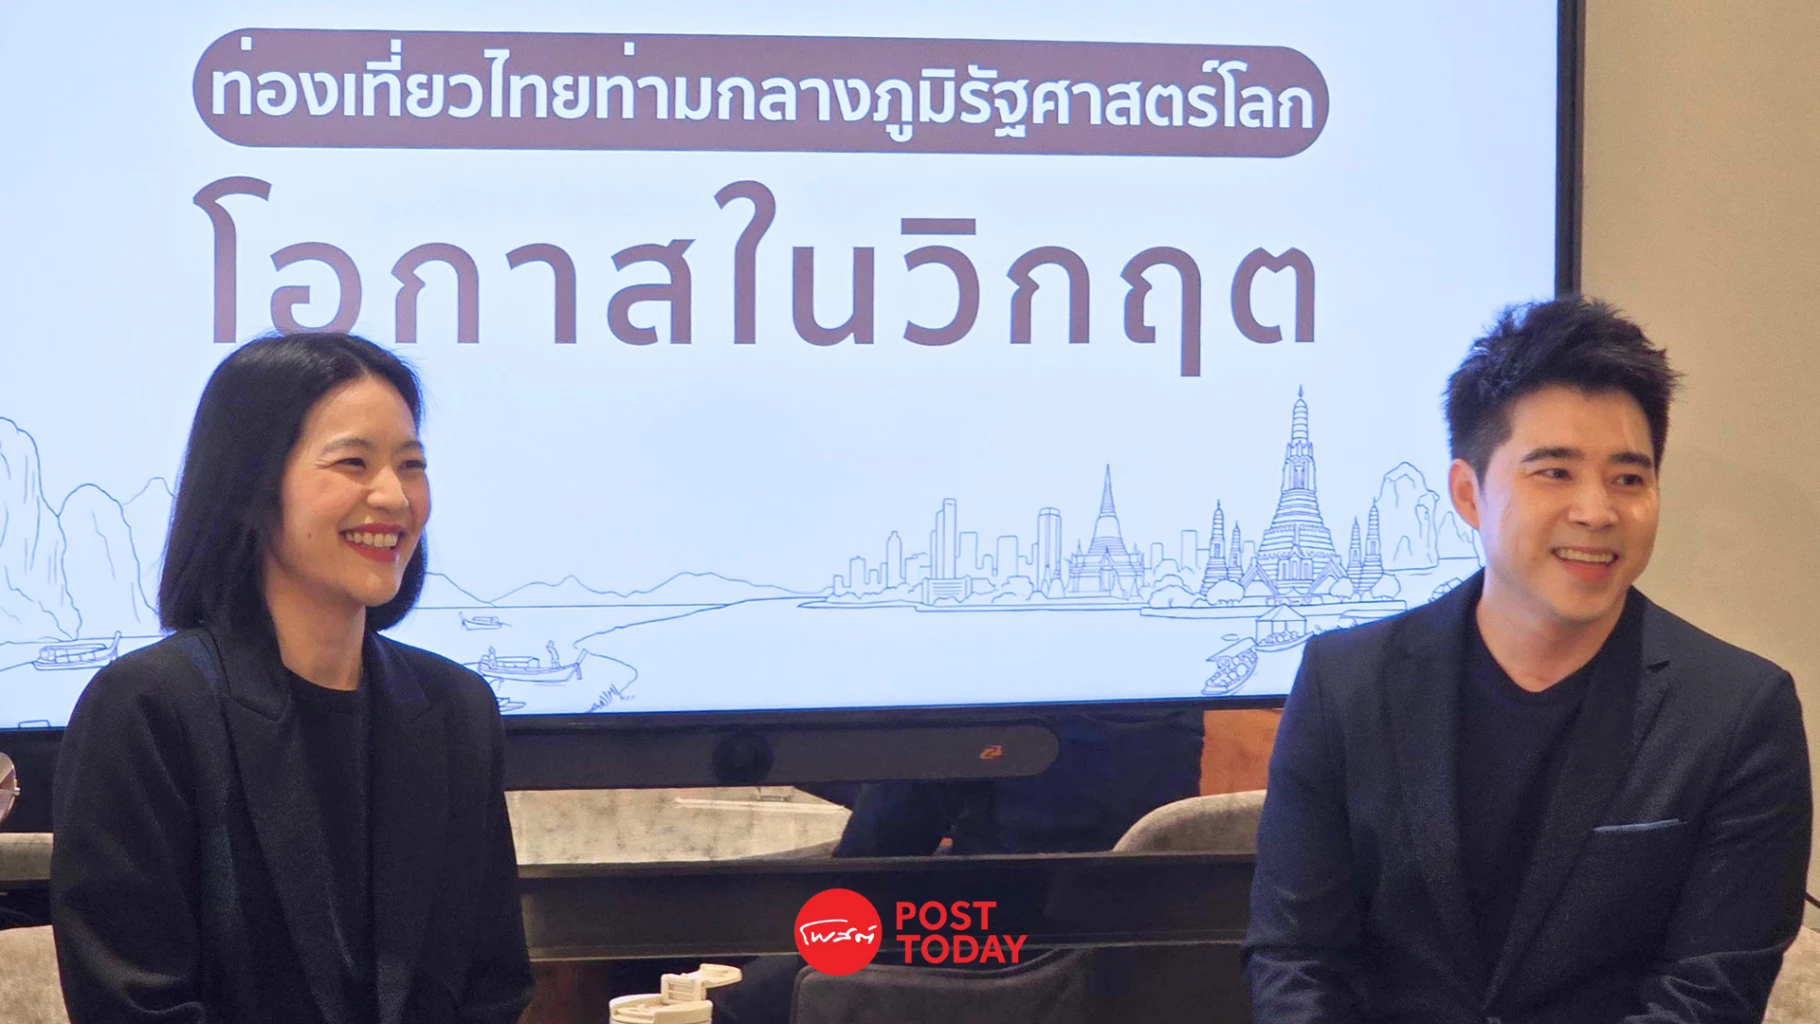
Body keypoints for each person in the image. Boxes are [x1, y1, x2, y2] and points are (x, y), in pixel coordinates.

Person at [1244, 296, 1811, 1022]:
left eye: (1629, 479)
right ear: (1467, 494)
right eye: (1554, 472)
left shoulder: (1738, 713)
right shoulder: (1345, 684)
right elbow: (1297, 959)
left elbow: (1709, 996)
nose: (1597, 511)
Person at [51, 333, 533, 1024]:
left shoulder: (457, 710)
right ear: (251, 491)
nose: (393, 496)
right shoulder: (149, 708)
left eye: (411, 464)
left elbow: (492, 989)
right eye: (353, 463)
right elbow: (132, 1004)